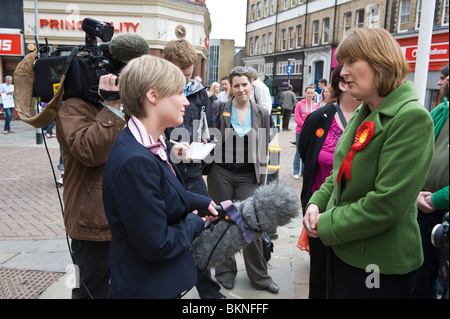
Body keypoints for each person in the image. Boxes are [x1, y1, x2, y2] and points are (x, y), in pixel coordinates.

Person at [303, 28, 435, 299]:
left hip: (378, 265)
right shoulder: (366, 111)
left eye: (352, 62)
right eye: (342, 63)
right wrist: (316, 203)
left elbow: (386, 204)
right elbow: (338, 175)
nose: (342, 72)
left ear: (380, 61)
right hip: (345, 251)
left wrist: (324, 224)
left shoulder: (411, 118)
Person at [102, 54, 218, 299]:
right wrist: (196, 221)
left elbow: (164, 193)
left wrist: (199, 201)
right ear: (152, 95)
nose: (185, 101)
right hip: (147, 288)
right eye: (178, 92)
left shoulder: (152, 144)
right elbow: (157, 243)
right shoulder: (135, 161)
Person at [206, 66, 279, 294]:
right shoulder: (220, 107)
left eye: (244, 84)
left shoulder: (262, 113)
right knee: (223, 222)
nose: (240, 89)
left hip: (249, 175)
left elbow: (266, 149)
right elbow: (209, 138)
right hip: (222, 173)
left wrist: (263, 182)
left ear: (252, 84)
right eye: (236, 85)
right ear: (231, 87)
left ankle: (260, 276)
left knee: (252, 225)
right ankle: (225, 272)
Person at [162, 39, 224, 299]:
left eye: (188, 75)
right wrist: (171, 149)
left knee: (201, 233)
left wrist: (208, 141)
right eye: (180, 75)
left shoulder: (199, 92)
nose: (185, 81)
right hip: (167, 174)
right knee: (169, 237)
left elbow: (210, 127)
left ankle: (209, 293)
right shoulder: (157, 91)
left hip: (194, 173)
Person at [56, 73, 125, 298]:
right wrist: (112, 105)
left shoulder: (119, 106)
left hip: (118, 217)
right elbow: (89, 151)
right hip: (91, 223)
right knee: (89, 290)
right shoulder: (72, 108)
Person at [299, 64, 361, 298]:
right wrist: (313, 204)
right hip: (320, 212)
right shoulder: (319, 117)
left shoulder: (372, 118)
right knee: (320, 276)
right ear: (343, 85)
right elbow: (307, 154)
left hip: (353, 213)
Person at [412, 68, 449, 299]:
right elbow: (418, 153)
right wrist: (415, 192)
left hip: (442, 211)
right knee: (421, 279)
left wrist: (437, 198)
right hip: (424, 209)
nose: (440, 82)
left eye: (444, 78)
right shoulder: (441, 110)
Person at [293, 86, 318, 178]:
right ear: (305, 93)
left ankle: (304, 171)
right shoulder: (299, 104)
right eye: (308, 93)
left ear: (314, 94)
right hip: (300, 132)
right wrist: (306, 127)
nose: (310, 95)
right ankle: (295, 171)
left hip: (311, 132)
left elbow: (317, 118)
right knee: (299, 151)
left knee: (307, 152)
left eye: (312, 93)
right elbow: (297, 118)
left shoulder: (315, 105)